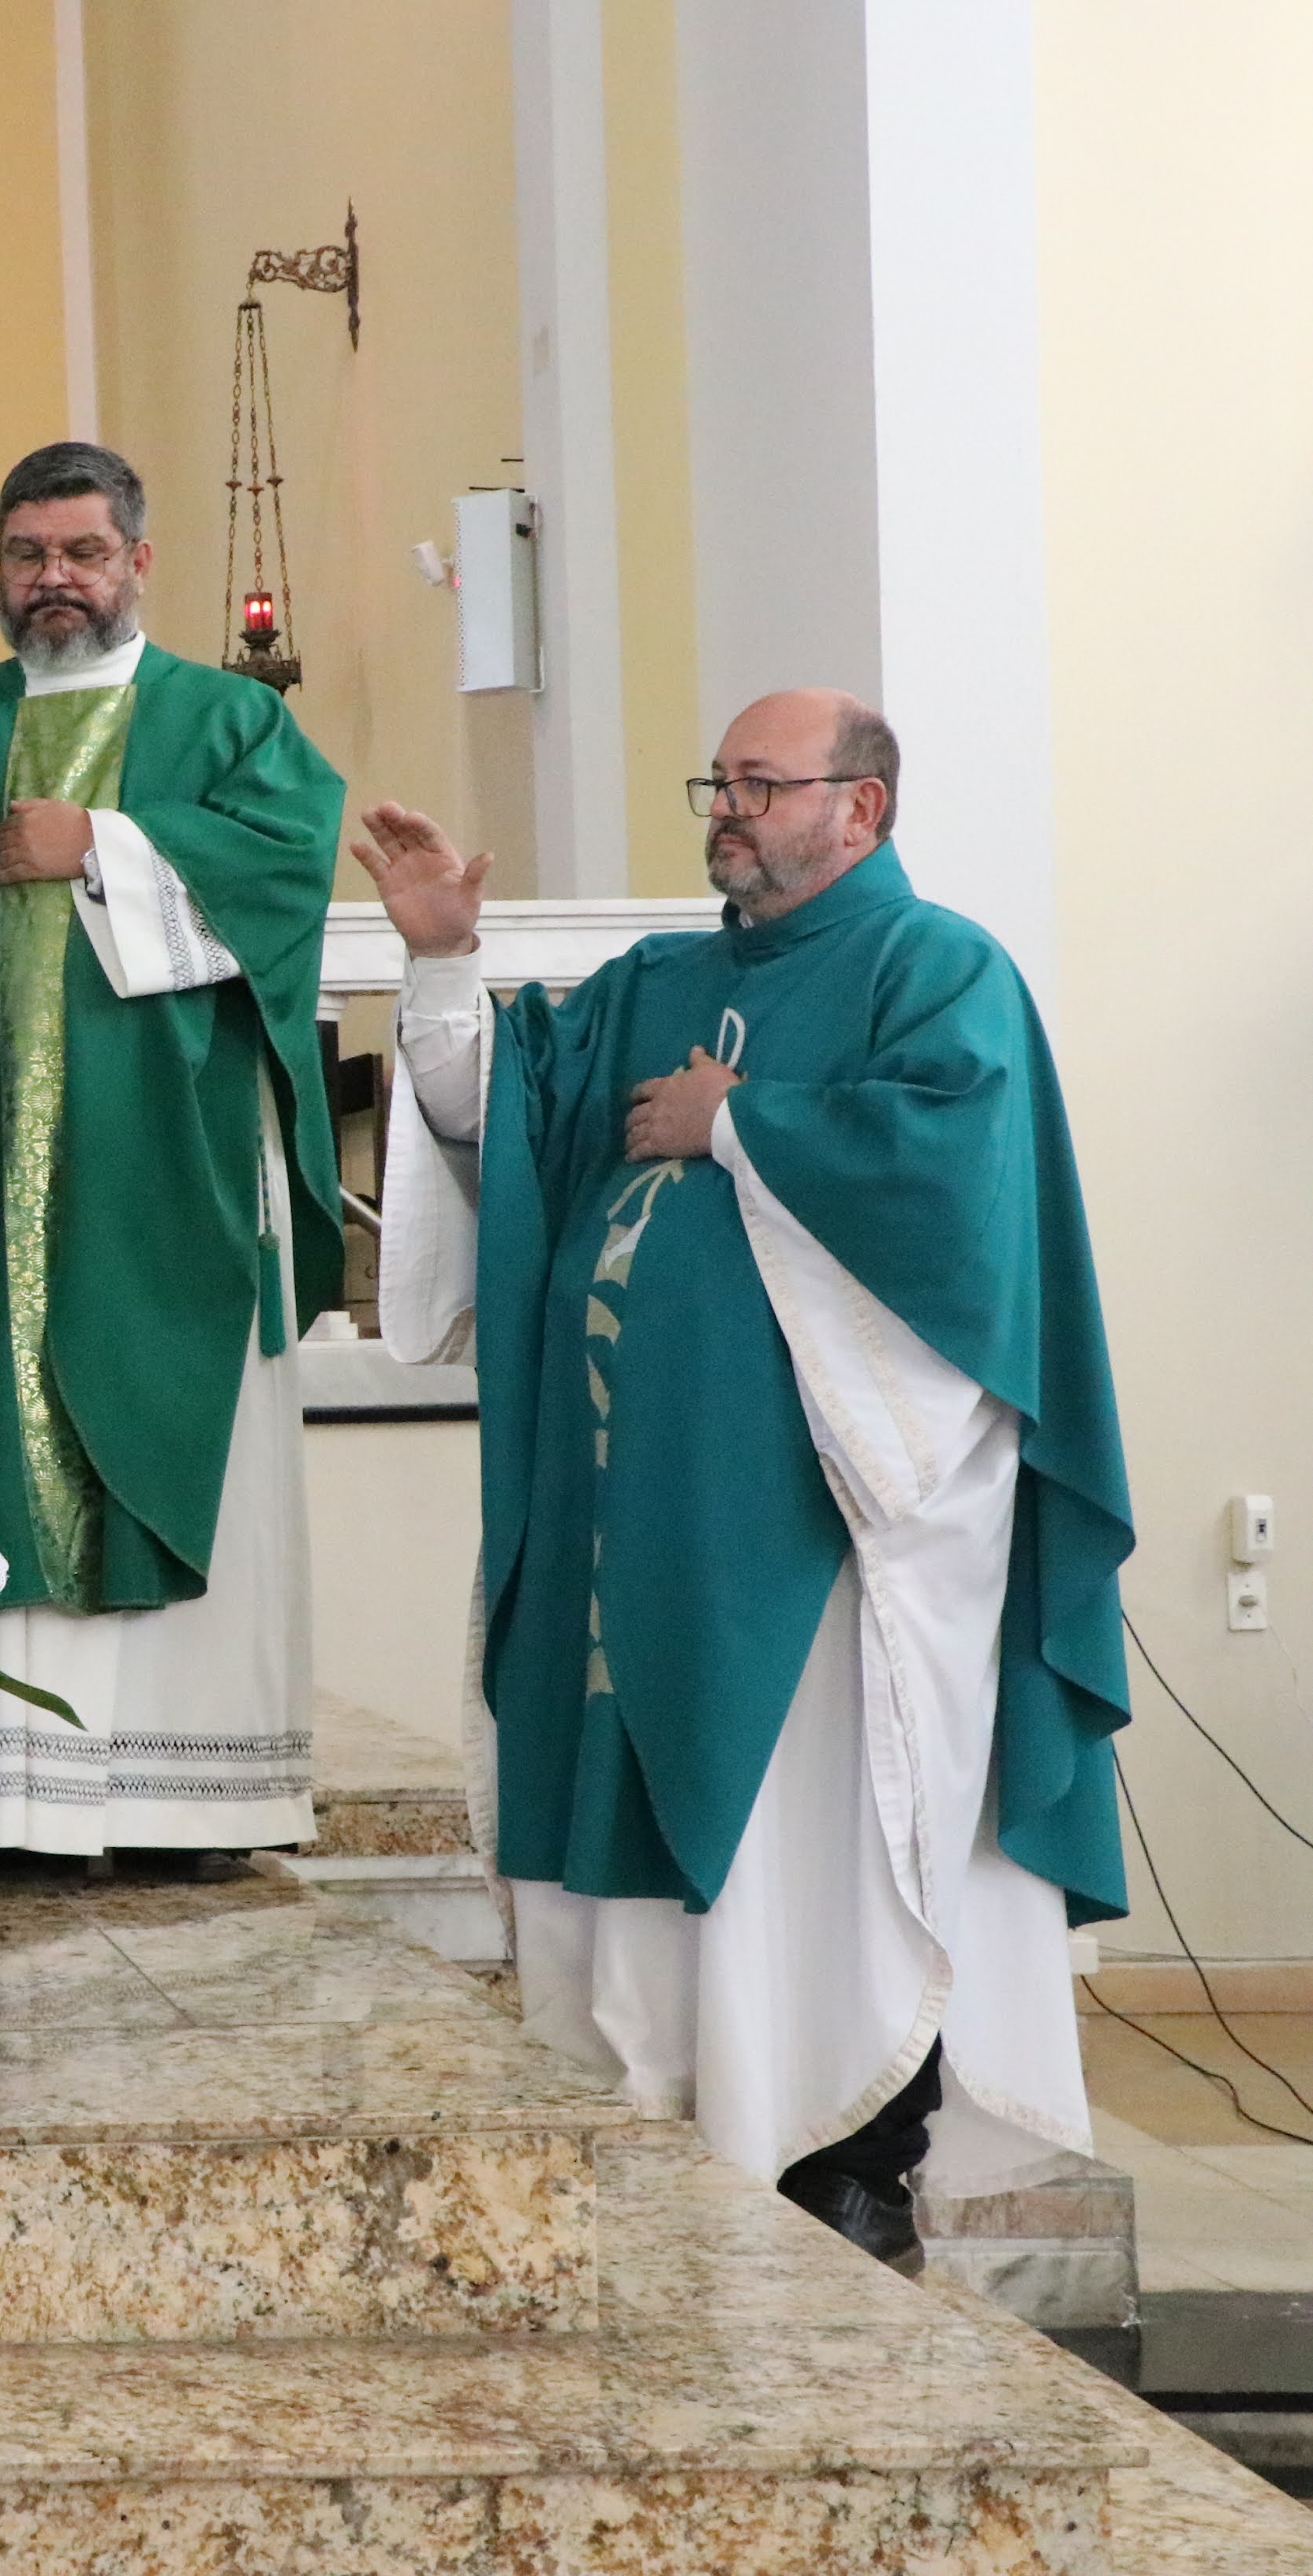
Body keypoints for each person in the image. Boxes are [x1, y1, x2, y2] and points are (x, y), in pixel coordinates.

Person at [357, 691, 1131, 2268]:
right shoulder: (661, 979)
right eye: (720, 778)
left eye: (763, 783)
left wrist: (744, 1125)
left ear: (863, 809)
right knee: (655, 1820)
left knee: (822, 1841)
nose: (727, 807)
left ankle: (851, 2158)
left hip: (820, 1534)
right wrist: (443, 957)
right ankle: (667, 2131)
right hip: (625, 1515)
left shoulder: (937, 972)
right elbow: (496, 1131)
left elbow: (962, 1201)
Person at [0, 443, 342, 1877]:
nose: (52, 582)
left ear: (138, 562)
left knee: (173, 1431)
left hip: (169, 1170)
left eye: (81, 553)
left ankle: (186, 1803)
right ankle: (14, 1803)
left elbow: (288, 867)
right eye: (25, 555)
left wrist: (97, 837)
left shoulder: (222, 719)